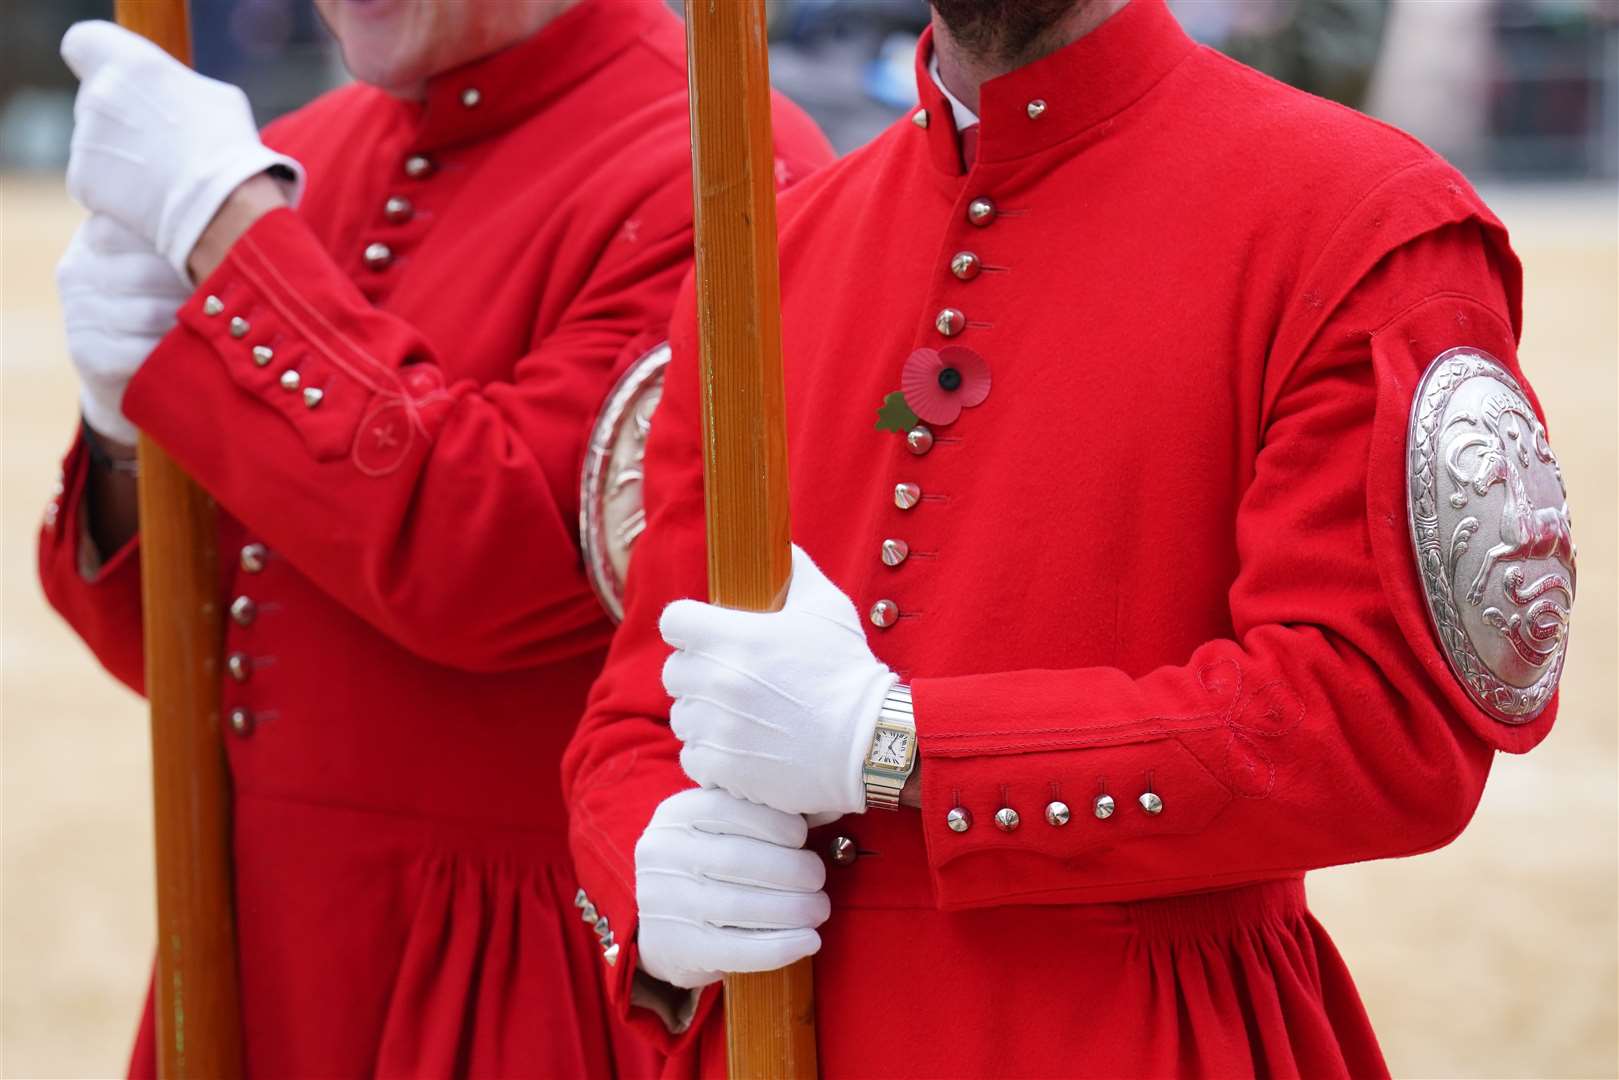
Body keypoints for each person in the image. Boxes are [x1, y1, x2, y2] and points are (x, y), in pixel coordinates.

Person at [560, 0, 1574, 1075]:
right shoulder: (775, 257)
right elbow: (638, 706)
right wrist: (646, 864)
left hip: (1139, 1042)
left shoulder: (1356, 218)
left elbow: (1374, 727)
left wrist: (899, 746)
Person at [40, 1, 832, 1075]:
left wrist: (225, 228)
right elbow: (195, 656)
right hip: (269, 944)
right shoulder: (300, 155)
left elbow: (492, 564)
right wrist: (122, 438)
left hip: (521, 979)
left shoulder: (715, 161)